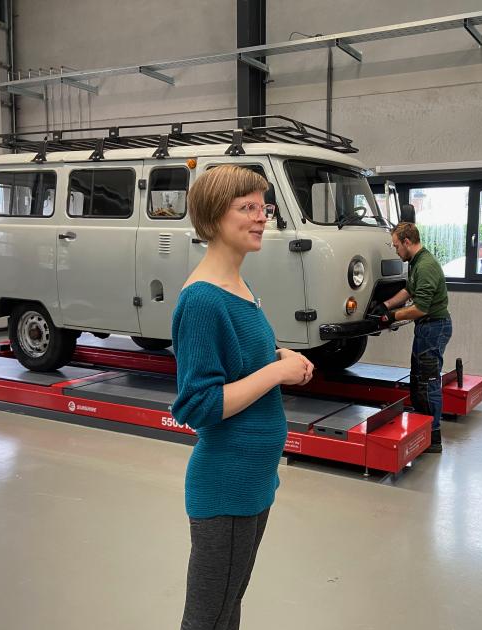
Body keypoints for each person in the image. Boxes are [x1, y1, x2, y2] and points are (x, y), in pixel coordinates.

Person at [172, 165, 314, 630]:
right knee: (208, 619)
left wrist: (280, 358)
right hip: (226, 485)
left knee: (228, 607)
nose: (260, 217)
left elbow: (239, 363)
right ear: (214, 216)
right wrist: (276, 371)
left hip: (253, 480)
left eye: (263, 207)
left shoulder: (239, 288)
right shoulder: (202, 300)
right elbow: (199, 406)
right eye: (247, 207)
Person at [370, 222, 452, 453]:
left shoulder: (426, 266)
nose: (396, 251)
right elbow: (409, 290)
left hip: (434, 327)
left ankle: (433, 436)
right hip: (426, 328)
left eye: (396, 246)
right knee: (417, 377)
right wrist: (386, 305)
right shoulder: (416, 262)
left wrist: (391, 317)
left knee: (428, 380)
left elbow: (421, 308)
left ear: (407, 242)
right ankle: (421, 425)